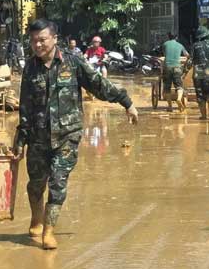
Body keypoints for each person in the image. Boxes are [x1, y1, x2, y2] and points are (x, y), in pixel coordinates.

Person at [16, 19, 138, 249]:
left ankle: (49, 232)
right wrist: (19, 140)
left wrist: (126, 102)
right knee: (35, 185)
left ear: (54, 39)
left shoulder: (73, 62)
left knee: (58, 184)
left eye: (42, 40)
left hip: (67, 136)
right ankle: (36, 218)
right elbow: (25, 105)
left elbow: (99, 84)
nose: (38, 45)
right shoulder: (30, 68)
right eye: (34, 41)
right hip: (38, 136)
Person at [188, 27, 209, 120]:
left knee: (200, 94)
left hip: (198, 72)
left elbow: (190, 61)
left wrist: (185, 71)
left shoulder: (195, 45)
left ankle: (204, 115)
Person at [160, 32, 188, 112]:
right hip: (177, 67)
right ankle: (179, 99)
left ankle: (170, 107)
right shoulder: (180, 45)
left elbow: (165, 54)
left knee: (167, 88)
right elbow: (187, 55)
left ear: (168, 37)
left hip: (167, 67)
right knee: (179, 86)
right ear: (176, 37)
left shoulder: (165, 44)